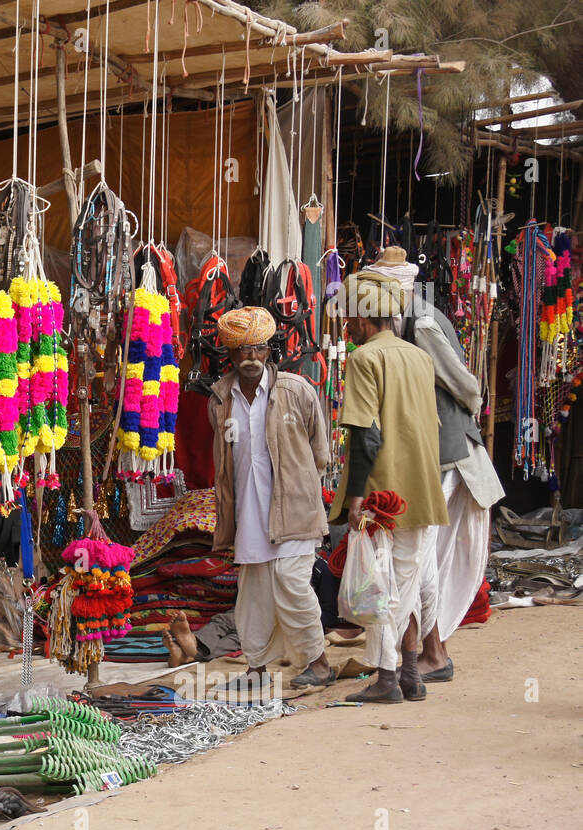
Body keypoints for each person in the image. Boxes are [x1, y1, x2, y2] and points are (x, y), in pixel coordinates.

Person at [359, 254, 504, 683]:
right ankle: (424, 653)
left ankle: (424, 655)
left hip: (444, 453)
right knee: (421, 554)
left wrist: (448, 421)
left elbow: (466, 387)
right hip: (422, 454)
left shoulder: (420, 324)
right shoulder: (398, 323)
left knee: (418, 552)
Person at [330, 271, 448, 704]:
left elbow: (368, 434)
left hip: (385, 495)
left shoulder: (364, 359)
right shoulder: (419, 358)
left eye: (350, 320)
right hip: (423, 492)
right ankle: (411, 674)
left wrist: (356, 496)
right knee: (406, 585)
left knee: (378, 590)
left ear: (364, 320)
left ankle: (386, 677)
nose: (348, 328)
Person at [207, 306, 334, 695]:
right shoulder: (219, 399)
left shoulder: (296, 391)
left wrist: (303, 489)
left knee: (292, 585)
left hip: (293, 510)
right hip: (249, 512)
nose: (250, 358)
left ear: (269, 351)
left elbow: (320, 452)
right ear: (230, 355)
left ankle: (319, 662)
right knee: (254, 593)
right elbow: (225, 461)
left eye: (258, 349)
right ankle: (257, 667)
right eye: (242, 351)